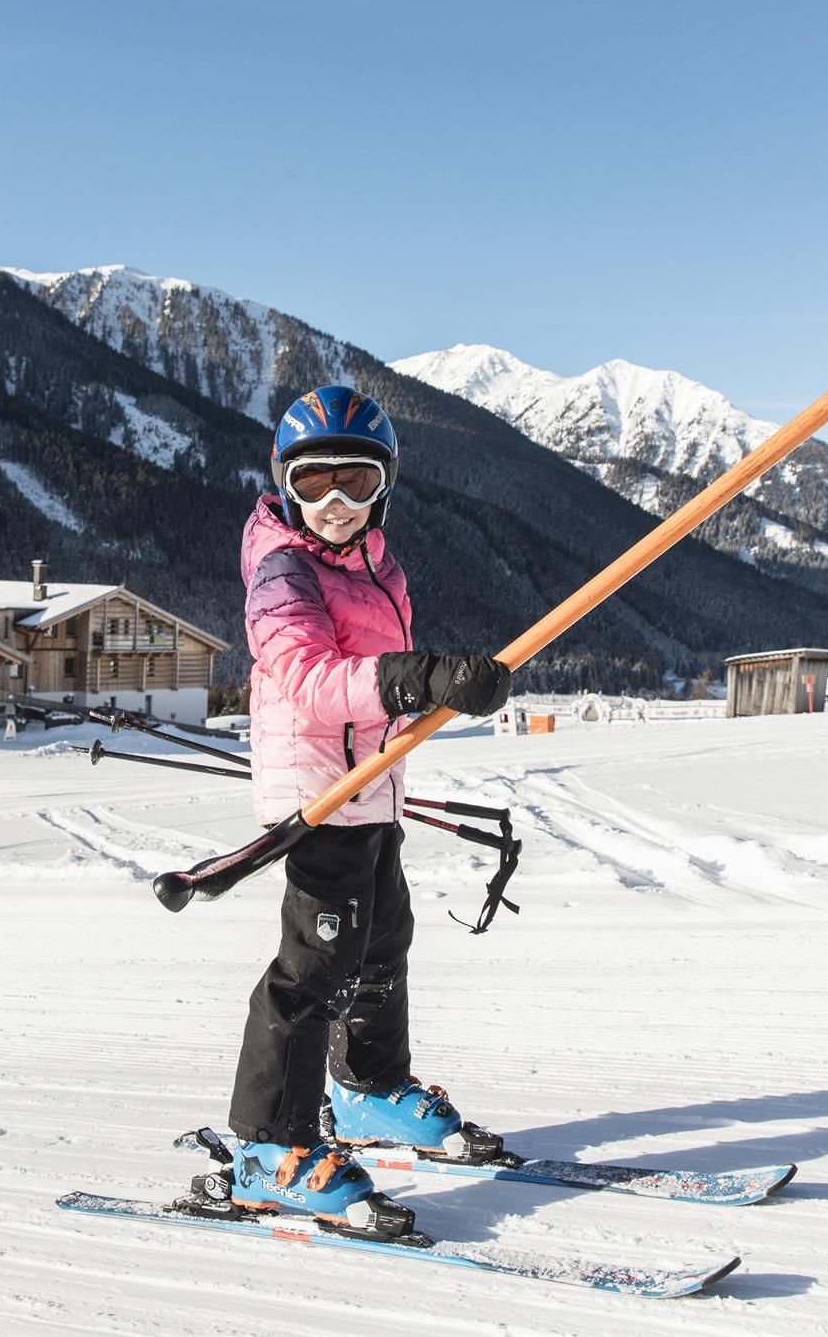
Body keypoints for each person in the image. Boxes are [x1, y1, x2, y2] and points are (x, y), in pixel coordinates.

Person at [224, 385, 512, 1233]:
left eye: (356, 481)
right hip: (318, 791)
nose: (336, 503)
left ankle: (369, 1089)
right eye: (315, 483)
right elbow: (315, 684)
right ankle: (269, 1147)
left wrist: (451, 687)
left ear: (384, 485)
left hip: (373, 784)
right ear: (284, 484)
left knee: (383, 940)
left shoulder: (379, 569)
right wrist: (419, 677)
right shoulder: (281, 572)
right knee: (314, 969)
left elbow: (381, 689)